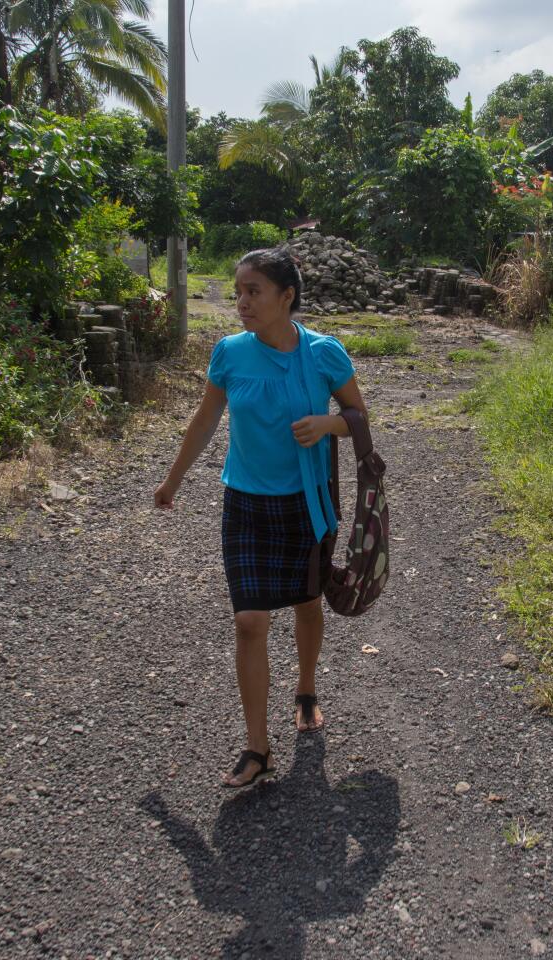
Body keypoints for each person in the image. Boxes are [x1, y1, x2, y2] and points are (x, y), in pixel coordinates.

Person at [154, 247, 365, 789]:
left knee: (306, 603)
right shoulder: (228, 354)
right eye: (239, 290)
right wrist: (172, 480)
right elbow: (204, 421)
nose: (242, 302)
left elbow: (359, 417)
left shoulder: (324, 354)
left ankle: (307, 688)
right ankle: (257, 748)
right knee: (249, 622)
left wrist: (328, 424)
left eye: (254, 292)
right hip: (245, 504)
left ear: (286, 297)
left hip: (307, 501)